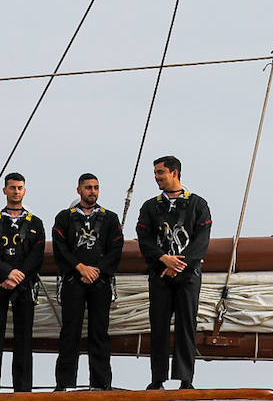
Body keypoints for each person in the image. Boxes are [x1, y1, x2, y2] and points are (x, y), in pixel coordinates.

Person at [136, 155, 211, 390]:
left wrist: (178, 264)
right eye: (155, 173)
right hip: (160, 274)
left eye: (160, 172)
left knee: (186, 325)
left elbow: (202, 240)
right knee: (158, 326)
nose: (156, 177)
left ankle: (186, 379)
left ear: (174, 173)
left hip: (188, 276)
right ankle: (157, 379)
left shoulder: (198, 205)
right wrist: (163, 259)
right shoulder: (150, 207)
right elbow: (144, 238)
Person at [51, 173, 124, 390]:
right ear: (79, 190)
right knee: (69, 331)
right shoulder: (64, 218)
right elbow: (60, 247)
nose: (93, 191)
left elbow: (116, 248)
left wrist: (97, 270)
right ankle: (64, 384)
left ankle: (101, 383)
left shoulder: (110, 218)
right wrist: (80, 267)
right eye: (88, 187)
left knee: (99, 332)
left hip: (100, 281)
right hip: (73, 280)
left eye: (96, 187)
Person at [0, 172, 45, 393]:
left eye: (19, 188)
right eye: (12, 187)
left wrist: (19, 275)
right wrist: (7, 273)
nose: (16, 191)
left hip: (24, 285)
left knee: (24, 338)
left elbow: (37, 255)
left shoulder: (35, 223)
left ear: (24, 190)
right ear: (4, 190)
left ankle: (23, 389)